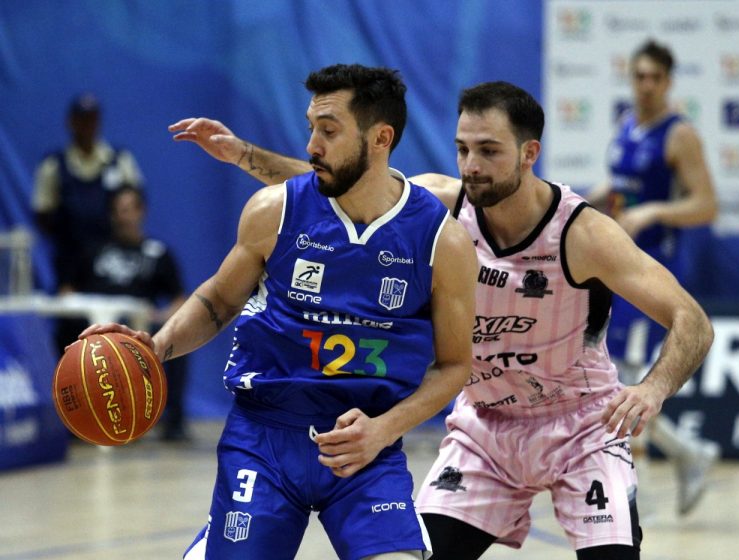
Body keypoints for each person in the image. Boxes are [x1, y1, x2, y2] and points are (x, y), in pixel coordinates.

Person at [169, 79, 714, 560]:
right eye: (462, 149)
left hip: (580, 428)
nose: (471, 165)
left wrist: (653, 389)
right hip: (486, 431)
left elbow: (691, 319)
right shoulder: (439, 210)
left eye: (489, 151)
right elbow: (341, 180)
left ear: (529, 153)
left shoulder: (583, 234)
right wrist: (243, 154)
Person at [78, 64, 478, 560]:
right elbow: (219, 301)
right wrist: (154, 349)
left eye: (328, 131)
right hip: (264, 436)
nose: (312, 145)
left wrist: (384, 429)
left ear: (381, 138)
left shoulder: (443, 241)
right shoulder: (275, 210)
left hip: (364, 444)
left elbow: (455, 365)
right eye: (311, 127)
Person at [587, 39, 720, 516]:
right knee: (609, 378)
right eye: (639, 76)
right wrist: (581, 201)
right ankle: (687, 454)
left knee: (621, 379)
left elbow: (707, 204)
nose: (646, 85)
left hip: (654, 268)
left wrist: (653, 212)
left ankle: (641, 477)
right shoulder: (628, 124)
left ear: (668, 81)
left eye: (654, 78)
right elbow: (622, 186)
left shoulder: (679, 134)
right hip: (617, 264)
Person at [60, 184, 190, 441]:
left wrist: (161, 318)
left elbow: (179, 299)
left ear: (142, 211)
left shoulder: (158, 253)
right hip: (95, 328)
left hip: (137, 328)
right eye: (119, 210)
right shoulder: (94, 250)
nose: (124, 216)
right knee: (65, 334)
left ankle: (173, 422)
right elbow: (67, 289)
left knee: (177, 341)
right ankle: (74, 419)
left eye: (129, 209)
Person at [31, 92, 144, 353]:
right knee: (72, 337)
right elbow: (42, 215)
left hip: (113, 266)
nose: (87, 125)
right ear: (71, 122)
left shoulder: (119, 160)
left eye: (92, 119)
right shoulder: (54, 165)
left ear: (99, 121)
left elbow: (135, 201)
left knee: (117, 337)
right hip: (71, 265)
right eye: (82, 119)